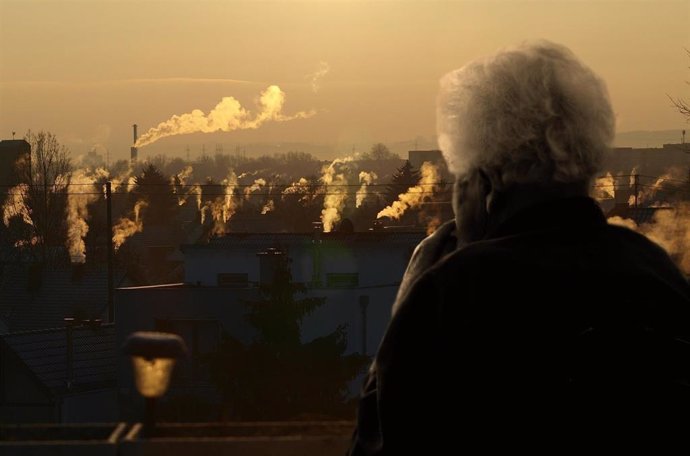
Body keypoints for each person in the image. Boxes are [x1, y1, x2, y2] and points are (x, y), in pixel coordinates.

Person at [348, 41, 690, 454]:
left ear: (487, 185)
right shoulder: (659, 274)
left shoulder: (454, 292)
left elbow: (380, 443)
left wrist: (413, 292)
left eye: (459, 180)